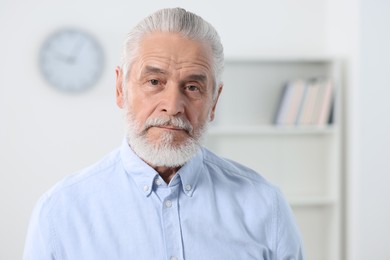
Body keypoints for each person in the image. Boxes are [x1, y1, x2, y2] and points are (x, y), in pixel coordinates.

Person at [23, 7, 305, 260]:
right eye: (154, 81)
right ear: (121, 89)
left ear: (214, 101)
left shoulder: (265, 206)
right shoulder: (59, 213)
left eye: (192, 87)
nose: (172, 106)